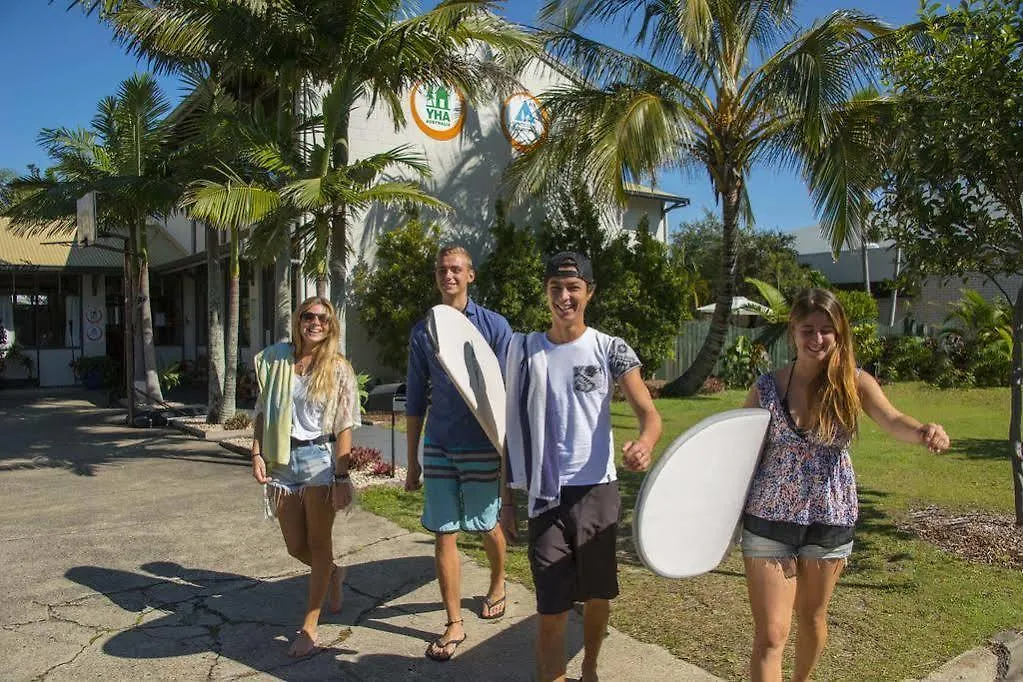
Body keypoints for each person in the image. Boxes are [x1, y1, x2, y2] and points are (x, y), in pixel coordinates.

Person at [741, 288, 950, 682]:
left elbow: (892, 419)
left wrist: (924, 431)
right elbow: (734, 450)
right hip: (768, 519)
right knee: (771, 634)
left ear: (839, 335)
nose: (816, 339)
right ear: (793, 332)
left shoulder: (853, 384)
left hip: (828, 519)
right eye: (808, 329)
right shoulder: (766, 388)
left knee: (812, 616)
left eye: (826, 330)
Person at [504, 251, 662, 682]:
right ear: (546, 293)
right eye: (556, 288)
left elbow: (650, 414)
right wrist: (506, 497)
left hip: (598, 492)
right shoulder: (525, 351)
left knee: (596, 595)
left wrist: (644, 444)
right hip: (546, 494)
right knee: (551, 609)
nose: (564, 297)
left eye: (573, 288)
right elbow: (507, 427)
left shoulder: (609, 348)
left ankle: (590, 665)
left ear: (589, 292)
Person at [404, 245, 513, 662]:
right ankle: (454, 623)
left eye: (456, 269)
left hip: (483, 445)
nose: (448, 275)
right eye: (441, 269)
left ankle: (498, 579)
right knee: (444, 532)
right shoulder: (423, 332)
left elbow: (506, 393)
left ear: (471, 275)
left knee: (486, 524)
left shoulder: (495, 327)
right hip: (439, 444)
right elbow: (415, 399)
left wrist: (508, 454)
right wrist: (412, 457)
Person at [250, 296, 360, 657]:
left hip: (319, 460)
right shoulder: (277, 361)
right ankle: (333, 573)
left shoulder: (339, 368)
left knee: (318, 542)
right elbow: (262, 412)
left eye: (323, 320)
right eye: (309, 316)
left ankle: (310, 626)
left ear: (331, 327)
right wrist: (256, 453)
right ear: (298, 320)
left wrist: (342, 478)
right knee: (295, 545)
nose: (315, 323)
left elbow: (345, 425)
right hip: (282, 459)